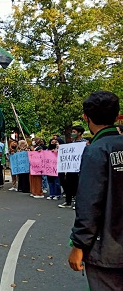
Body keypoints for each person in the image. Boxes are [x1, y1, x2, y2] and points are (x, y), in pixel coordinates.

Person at [68, 91, 123, 290]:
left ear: (86, 117)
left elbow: (89, 203)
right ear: (117, 116)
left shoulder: (96, 151)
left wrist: (78, 245)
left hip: (107, 251)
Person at [58, 126, 86, 209]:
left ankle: (78, 203)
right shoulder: (72, 142)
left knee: (78, 185)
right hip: (71, 168)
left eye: (74, 132)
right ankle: (68, 201)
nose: (72, 134)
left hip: (80, 168)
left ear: (79, 133)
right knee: (68, 184)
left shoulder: (84, 143)